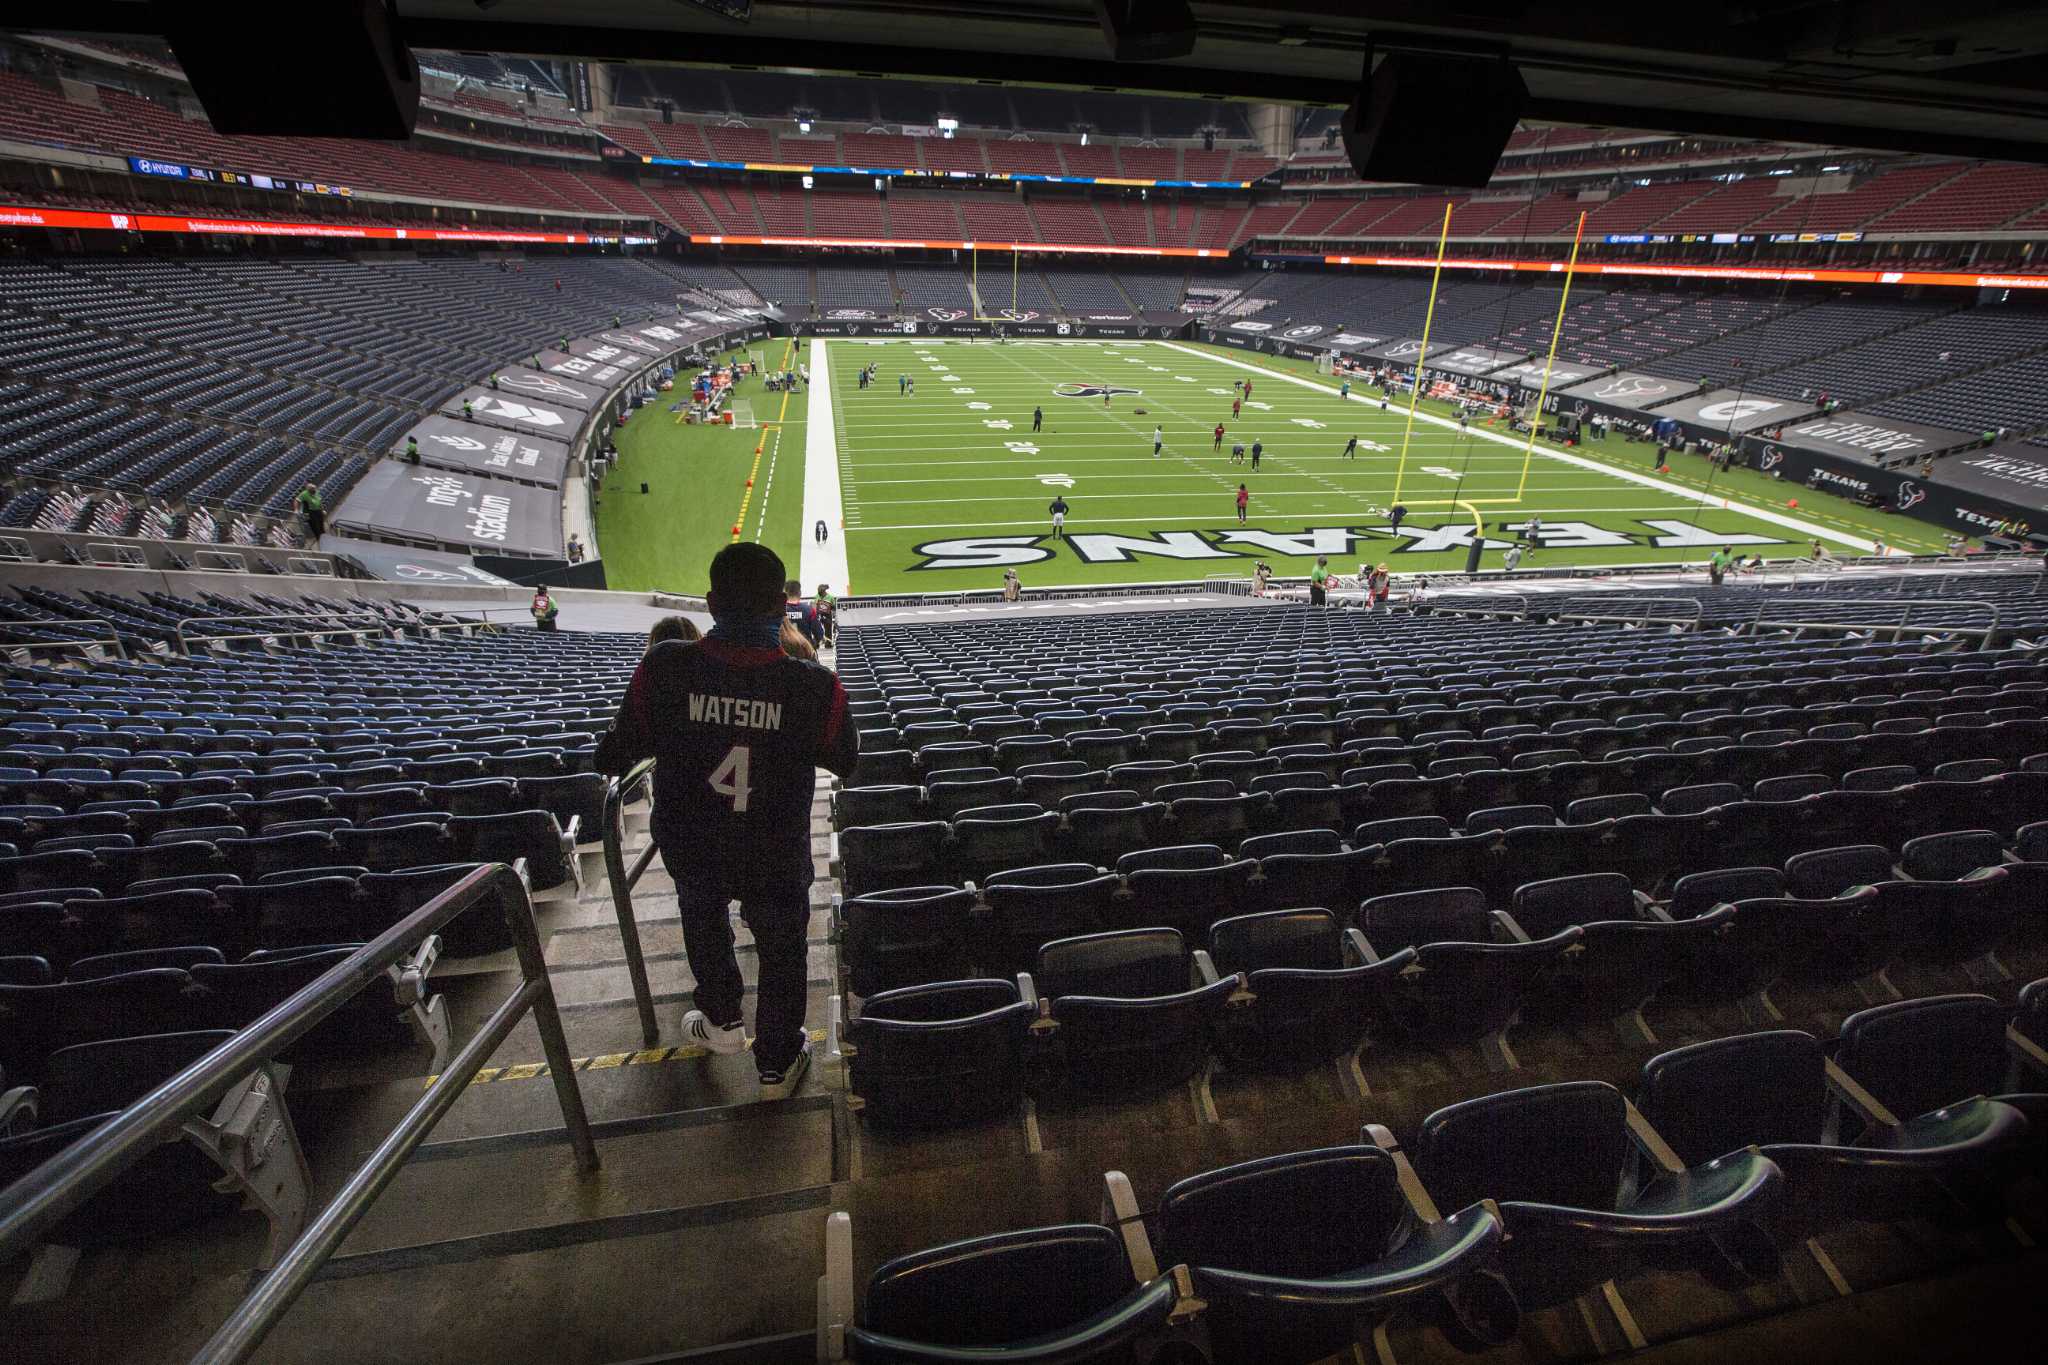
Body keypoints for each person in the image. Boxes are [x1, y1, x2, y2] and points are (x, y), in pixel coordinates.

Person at [595, 542, 856, 1097]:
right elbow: (845, 760)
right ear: (782, 608)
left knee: (702, 920)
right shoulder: (814, 684)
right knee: (784, 948)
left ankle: (722, 1021)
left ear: (711, 604)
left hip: (693, 840)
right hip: (775, 845)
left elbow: (614, 753)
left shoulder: (664, 667)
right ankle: (776, 1062)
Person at [784, 579, 823, 649]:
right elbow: (819, 634)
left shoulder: (779, 610)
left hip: (786, 651)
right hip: (805, 651)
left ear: (785, 593)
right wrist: (812, 645)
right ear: (799, 592)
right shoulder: (810, 610)